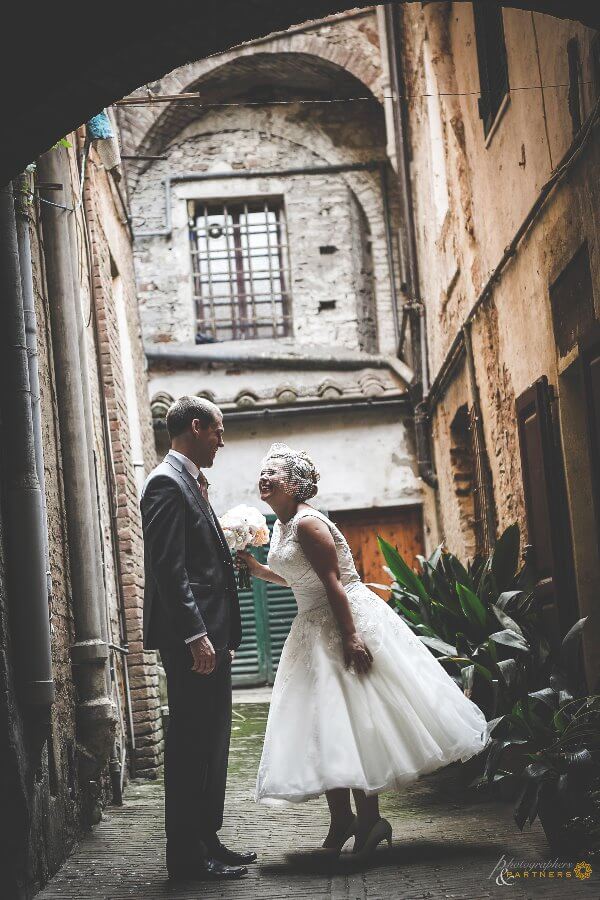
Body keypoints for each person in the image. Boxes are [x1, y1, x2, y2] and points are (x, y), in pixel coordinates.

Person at [238, 443, 489, 863]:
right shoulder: (281, 526)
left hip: (342, 622)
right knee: (325, 722)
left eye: (274, 472)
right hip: (313, 625)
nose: (265, 477)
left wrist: (351, 637)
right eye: (263, 470)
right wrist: (260, 571)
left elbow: (334, 584)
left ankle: (368, 820)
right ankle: (344, 820)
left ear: (295, 484)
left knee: (354, 719)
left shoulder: (308, 523)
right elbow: (302, 582)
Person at [140, 396, 256, 882]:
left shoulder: (191, 481)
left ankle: (208, 840)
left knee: (213, 743)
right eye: (218, 431)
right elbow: (169, 569)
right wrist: (195, 637)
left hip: (212, 640)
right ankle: (187, 858)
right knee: (191, 748)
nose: (222, 440)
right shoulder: (166, 483)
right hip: (194, 645)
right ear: (195, 426)